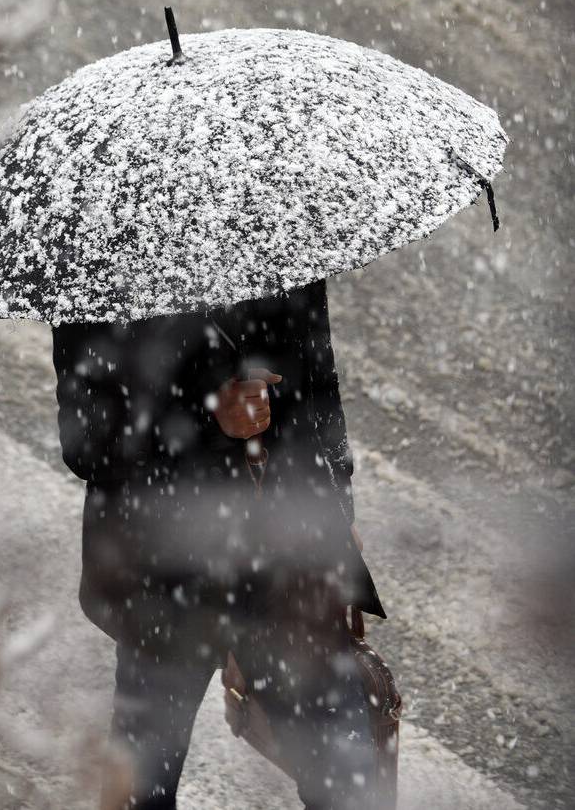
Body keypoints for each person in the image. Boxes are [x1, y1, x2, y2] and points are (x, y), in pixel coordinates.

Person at [51, 279, 386, 809]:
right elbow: (87, 438)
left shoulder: (277, 217)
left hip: (288, 558)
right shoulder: (102, 255)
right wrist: (210, 418)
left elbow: (318, 375)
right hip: (166, 572)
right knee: (142, 788)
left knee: (350, 788)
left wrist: (338, 502)